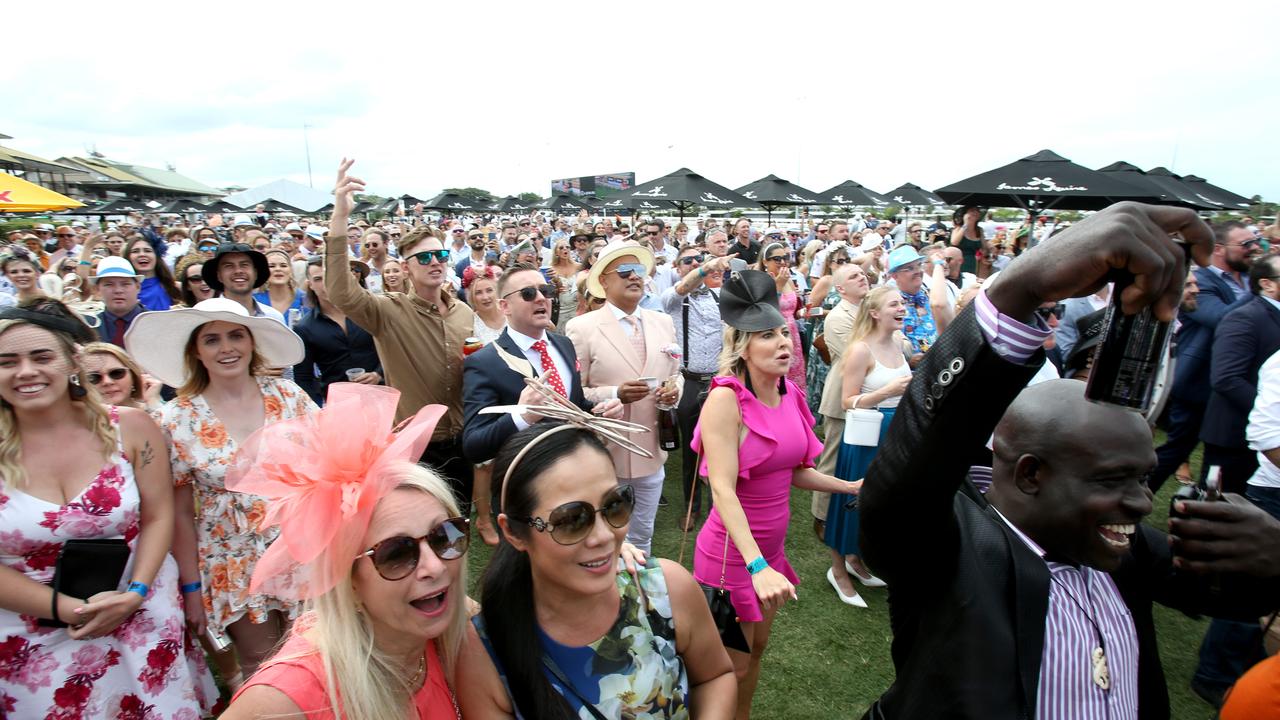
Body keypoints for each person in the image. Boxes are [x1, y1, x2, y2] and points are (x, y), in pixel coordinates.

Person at [858, 202, 1280, 720]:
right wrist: (1021, 287)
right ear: (1031, 473)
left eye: (1143, 477)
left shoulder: (1128, 553)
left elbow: (1235, 595)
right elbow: (913, 458)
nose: (1143, 502)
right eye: (1113, 479)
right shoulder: (951, 552)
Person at [0, 301, 217, 718]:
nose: (25, 371)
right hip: (31, 630)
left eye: (41, 356)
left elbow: (158, 514)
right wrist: (70, 610)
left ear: (71, 361)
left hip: (140, 604)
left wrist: (134, 594)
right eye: (8, 362)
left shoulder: (131, 427)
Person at [219, 386, 469, 720]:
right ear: (347, 578)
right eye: (396, 554)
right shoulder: (285, 700)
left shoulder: (461, 627)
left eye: (444, 535)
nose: (434, 566)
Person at [457, 420, 737, 719]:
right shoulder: (483, 654)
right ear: (512, 532)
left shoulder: (666, 589)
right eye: (572, 519)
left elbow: (716, 676)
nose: (605, 536)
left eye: (614, 505)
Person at [692, 269, 859, 719]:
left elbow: (793, 471)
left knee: (756, 654)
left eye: (784, 332)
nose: (783, 342)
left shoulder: (790, 394)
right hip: (733, 558)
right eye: (768, 336)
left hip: (769, 552)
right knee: (728, 669)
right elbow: (722, 489)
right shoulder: (725, 400)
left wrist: (848, 486)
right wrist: (757, 565)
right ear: (743, 347)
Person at [126, 297, 315, 684]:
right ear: (196, 350)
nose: (226, 348)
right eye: (211, 339)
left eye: (235, 336)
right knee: (262, 668)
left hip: (301, 548)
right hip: (231, 561)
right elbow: (176, 512)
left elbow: (331, 468)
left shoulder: (289, 397)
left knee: (318, 653)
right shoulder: (175, 418)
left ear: (251, 343)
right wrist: (193, 586)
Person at [327, 159, 476, 511]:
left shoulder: (464, 313)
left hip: (463, 438)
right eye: (423, 258)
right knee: (423, 527)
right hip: (416, 444)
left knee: (460, 526)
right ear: (406, 267)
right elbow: (341, 293)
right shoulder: (388, 311)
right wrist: (340, 217)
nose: (435, 262)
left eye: (440, 254)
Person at [565, 242, 680, 553]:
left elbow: (675, 373)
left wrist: (674, 391)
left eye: (639, 270)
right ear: (603, 281)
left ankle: (640, 590)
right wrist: (616, 393)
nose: (634, 277)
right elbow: (574, 393)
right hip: (605, 452)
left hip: (652, 450)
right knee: (603, 533)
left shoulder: (663, 322)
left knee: (642, 534)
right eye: (625, 271)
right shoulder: (582, 328)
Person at [1150, 221, 1258, 493]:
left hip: (1234, 386)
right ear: (1220, 249)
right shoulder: (1198, 282)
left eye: (1254, 241)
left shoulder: (1245, 278)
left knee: (1223, 455)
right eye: (1246, 244)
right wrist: (1260, 287)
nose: (1254, 248)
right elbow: (1223, 319)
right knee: (1177, 448)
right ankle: (1138, 494)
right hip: (1199, 383)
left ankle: (1205, 505)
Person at [823, 287, 909, 606]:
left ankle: (856, 561)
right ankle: (838, 570)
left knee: (879, 502)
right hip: (866, 434)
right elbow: (848, 401)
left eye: (902, 303)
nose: (902, 307)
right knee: (852, 499)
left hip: (896, 433)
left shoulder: (899, 343)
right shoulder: (860, 349)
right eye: (894, 304)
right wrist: (886, 392)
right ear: (874, 313)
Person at [663, 244, 734, 530]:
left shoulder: (719, 296)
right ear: (677, 268)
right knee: (692, 451)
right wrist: (706, 266)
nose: (693, 263)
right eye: (687, 261)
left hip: (719, 383)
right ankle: (692, 506)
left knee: (725, 447)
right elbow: (683, 288)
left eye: (697, 260)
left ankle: (725, 506)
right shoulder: (672, 298)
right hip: (689, 382)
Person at [810, 264, 870, 537]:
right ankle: (821, 516)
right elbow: (854, 359)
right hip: (842, 397)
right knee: (832, 458)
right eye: (854, 276)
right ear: (841, 288)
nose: (863, 278)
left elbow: (899, 343)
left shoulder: (871, 309)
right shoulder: (837, 317)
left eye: (863, 273)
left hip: (871, 395)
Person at [293, 257, 383, 406]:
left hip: (381, 396)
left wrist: (378, 374)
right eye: (318, 279)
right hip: (340, 406)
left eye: (330, 276)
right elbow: (304, 378)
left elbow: (392, 347)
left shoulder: (368, 311)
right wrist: (316, 411)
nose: (326, 283)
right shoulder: (305, 327)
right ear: (310, 285)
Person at [757, 242, 806, 388]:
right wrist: (778, 285)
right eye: (777, 259)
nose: (783, 262)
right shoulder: (761, 281)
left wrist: (802, 312)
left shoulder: (788, 279)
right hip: (773, 333)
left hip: (792, 334)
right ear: (765, 261)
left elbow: (793, 310)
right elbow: (765, 310)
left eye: (785, 257)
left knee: (795, 379)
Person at [203, 242, 286, 323]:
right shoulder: (206, 317)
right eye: (229, 266)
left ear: (255, 273)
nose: (238, 271)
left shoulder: (274, 318)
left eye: (244, 265)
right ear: (219, 276)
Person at [82, 341, 163, 412]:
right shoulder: (76, 422)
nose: (107, 382)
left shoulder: (162, 410)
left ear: (133, 375)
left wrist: (152, 402)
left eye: (116, 373)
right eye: (94, 377)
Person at [90, 256, 147, 347]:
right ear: (97, 289)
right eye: (109, 284)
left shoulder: (155, 322)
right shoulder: (89, 326)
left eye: (125, 284)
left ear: (138, 287)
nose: (118, 290)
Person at [123, 236, 182, 311]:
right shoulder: (121, 290)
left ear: (157, 256)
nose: (142, 254)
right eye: (135, 251)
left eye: (148, 251)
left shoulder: (176, 287)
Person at [254, 248, 307, 318]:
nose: (278, 269)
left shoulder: (305, 299)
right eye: (271, 266)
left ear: (290, 270)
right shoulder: (254, 301)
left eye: (283, 265)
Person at [465, 265, 506, 345]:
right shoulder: (470, 325)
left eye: (489, 290)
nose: (485, 297)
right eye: (478, 292)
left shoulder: (510, 312)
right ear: (471, 297)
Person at [547, 236, 581, 327]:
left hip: (576, 308)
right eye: (561, 248)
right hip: (559, 310)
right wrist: (556, 289)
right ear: (556, 252)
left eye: (567, 247)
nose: (565, 249)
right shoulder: (550, 269)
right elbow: (548, 292)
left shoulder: (579, 266)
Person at [949, 205, 987, 275]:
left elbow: (984, 247)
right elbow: (954, 242)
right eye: (972, 211)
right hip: (959, 262)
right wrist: (966, 224)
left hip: (973, 262)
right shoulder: (958, 229)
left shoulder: (979, 230)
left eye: (977, 211)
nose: (975, 213)